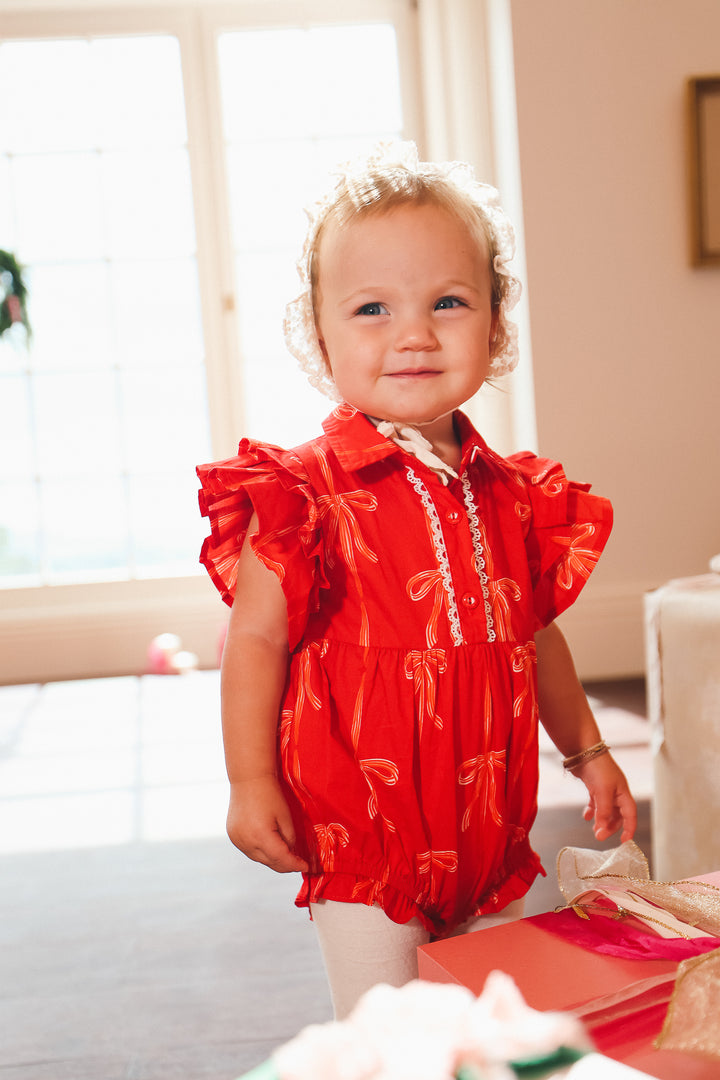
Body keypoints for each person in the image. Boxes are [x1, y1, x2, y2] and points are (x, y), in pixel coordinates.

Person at [196, 142, 636, 1019]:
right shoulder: (304, 494)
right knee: (390, 1038)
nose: (414, 333)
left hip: (487, 828)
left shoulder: (512, 496)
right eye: (371, 308)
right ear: (319, 336)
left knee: (482, 1032)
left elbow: (535, 632)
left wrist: (587, 749)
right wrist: (250, 781)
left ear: (496, 327)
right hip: (363, 828)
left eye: (447, 302)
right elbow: (253, 637)